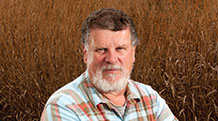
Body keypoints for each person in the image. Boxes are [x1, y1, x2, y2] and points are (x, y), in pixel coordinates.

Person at [41, 8, 178, 121]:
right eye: (102, 50)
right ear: (85, 54)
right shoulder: (63, 106)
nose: (112, 59)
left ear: (133, 53)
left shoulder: (150, 98)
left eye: (120, 49)